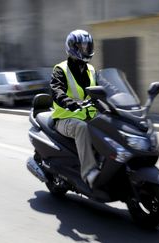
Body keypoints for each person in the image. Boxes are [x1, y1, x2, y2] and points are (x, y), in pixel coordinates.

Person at [50, 29, 100, 188]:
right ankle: (89, 172)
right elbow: (56, 90)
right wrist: (69, 102)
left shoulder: (91, 69)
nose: (86, 50)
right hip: (65, 118)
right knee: (82, 128)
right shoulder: (60, 69)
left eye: (88, 46)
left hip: (89, 115)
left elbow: (103, 87)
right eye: (83, 47)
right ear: (73, 48)